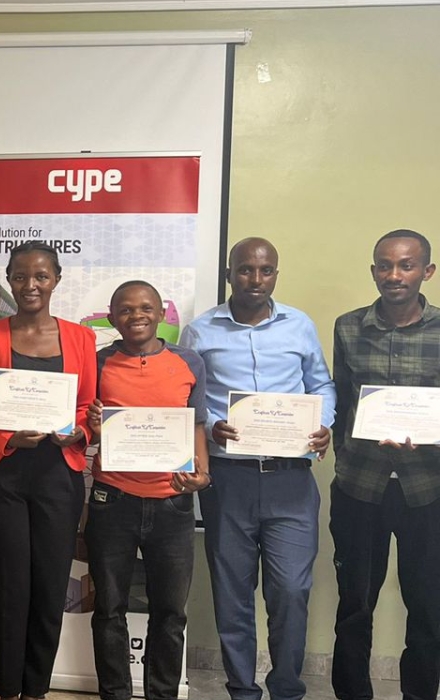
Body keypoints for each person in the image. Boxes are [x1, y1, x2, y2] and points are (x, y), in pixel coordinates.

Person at [180, 237, 335, 700]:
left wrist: (323, 424)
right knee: (233, 595)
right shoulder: (201, 331)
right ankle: (242, 691)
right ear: (230, 274)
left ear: (275, 275)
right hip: (230, 482)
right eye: (245, 270)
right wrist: (210, 431)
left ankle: (286, 688)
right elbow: (188, 400)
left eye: (266, 271)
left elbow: (321, 384)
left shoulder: (299, 326)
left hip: (291, 479)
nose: (256, 279)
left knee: (290, 591)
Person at [0, 241, 96, 700]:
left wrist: (77, 431)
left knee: (50, 581)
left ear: (56, 279)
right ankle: (6, 690)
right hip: (2, 472)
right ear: (9, 279)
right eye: (19, 276)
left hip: (59, 472)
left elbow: (87, 405)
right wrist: (6, 437)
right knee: (5, 581)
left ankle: (35, 688)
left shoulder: (80, 338)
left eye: (40, 276)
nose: (30, 285)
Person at [84, 280, 211, 700]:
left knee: (170, 615)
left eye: (145, 307)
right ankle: (115, 694)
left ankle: (162, 694)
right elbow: (84, 426)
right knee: (108, 610)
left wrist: (203, 473)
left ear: (160, 313)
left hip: (172, 503)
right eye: (125, 309)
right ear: (111, 315)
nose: (135, 315)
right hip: (112, 500)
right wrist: (95, 427)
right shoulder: (98, 362)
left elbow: (195, 423)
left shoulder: (188, 361)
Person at [331, 229, 440, 700]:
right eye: (384, 265)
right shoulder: (348, 326)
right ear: (373, 270)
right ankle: (353, 694)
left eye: (406, 265)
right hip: (360, 487)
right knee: (355, 603)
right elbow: (338, 403)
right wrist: (345, 454)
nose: (394, 275)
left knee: (428, 605)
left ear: (426, 272)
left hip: (426, 491)